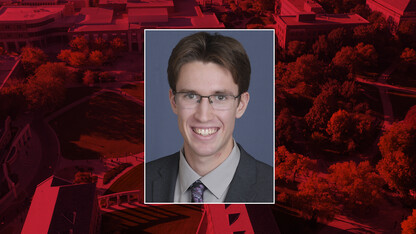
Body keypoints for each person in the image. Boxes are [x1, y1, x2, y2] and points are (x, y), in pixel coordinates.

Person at [146, 32, 273, 203]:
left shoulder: (272, 188)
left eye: (220, 97)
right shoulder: (144, 179)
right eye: (191, 96)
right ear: (173, 101)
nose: (203, 116)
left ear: (241, 104)